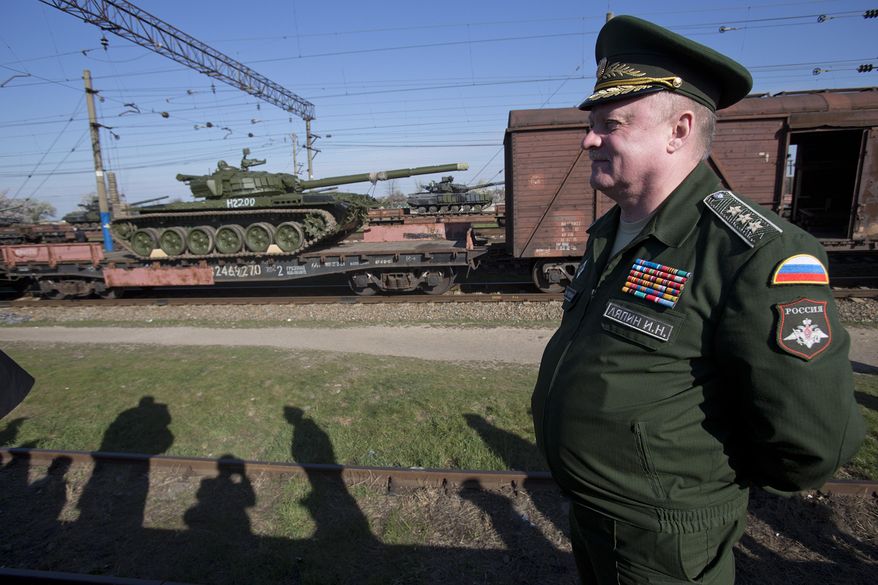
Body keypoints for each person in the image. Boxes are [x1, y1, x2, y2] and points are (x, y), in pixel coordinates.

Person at [530, 15, 865, 585]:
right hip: (593, 515)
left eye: (610, 124)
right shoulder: (611, 232)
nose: (588, 139)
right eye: (591, 125)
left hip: (663, 537)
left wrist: (698, 486)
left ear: (678, 130)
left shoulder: (755, 251)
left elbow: (812, 439)